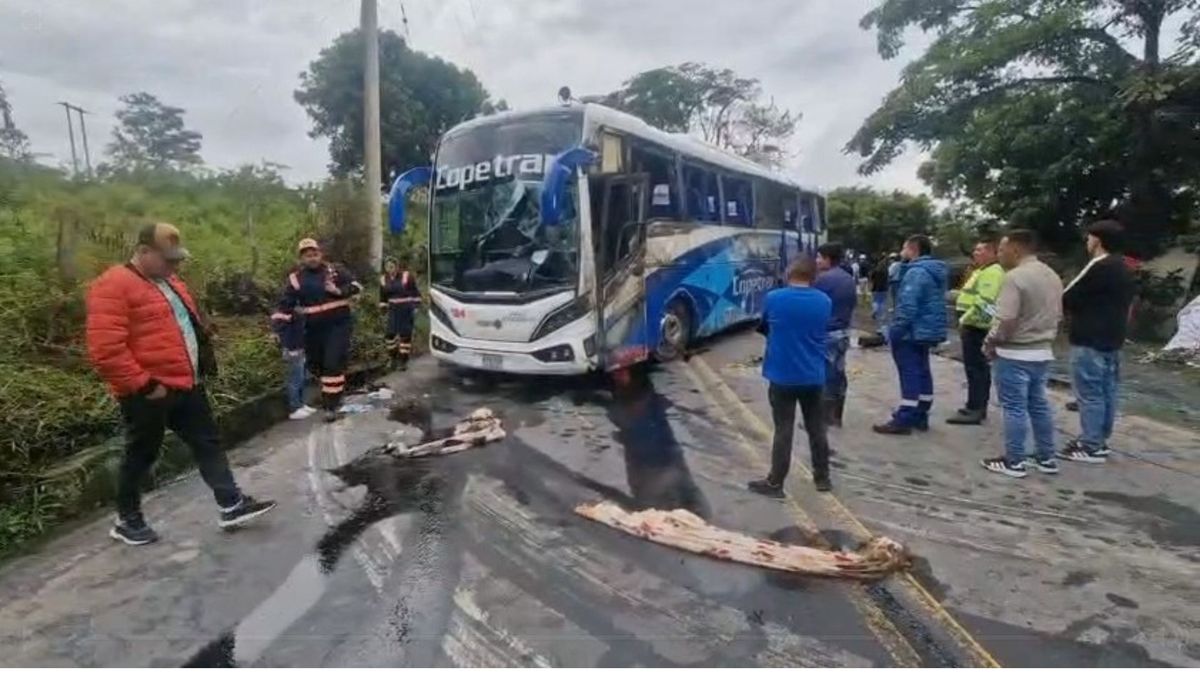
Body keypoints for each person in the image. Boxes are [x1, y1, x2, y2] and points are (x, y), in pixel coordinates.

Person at [86, 223, 276, 546]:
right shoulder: (113, 285)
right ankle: (126, 519)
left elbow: (186, 322)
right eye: (168, 259)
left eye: (177, 260)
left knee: (207, 442)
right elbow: (105, 351)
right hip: (148, 391)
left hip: (186, 382)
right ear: (144, 252)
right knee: (141, 454)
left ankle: (231, 503)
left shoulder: (170, 281)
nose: (175, 266)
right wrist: (146, 386)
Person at [980, 230, 1063, 478]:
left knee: (1014, 407)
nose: (999, 254)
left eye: (1002, 249)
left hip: (1014, 353)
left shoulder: (1014, 278)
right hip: (1042, 351)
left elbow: (1006, 319)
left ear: (1015, 249)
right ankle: (1046, 457)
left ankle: (1014, 460)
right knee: (1039, 405)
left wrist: (991, 342)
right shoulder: (1051, 275)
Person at [748, 258, 833, 497]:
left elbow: (763, 325)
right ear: (813, 277)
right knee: (817, 428)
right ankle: (822, 478)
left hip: (782, 374)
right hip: (813, 375)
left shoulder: (774, 298)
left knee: (783, 430)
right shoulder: (824, 301)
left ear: (788, 274)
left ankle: (776, 482)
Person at [1057, 220, 1136, 464]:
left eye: (1089, 238)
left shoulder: (1099, 265)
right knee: (1107, 391)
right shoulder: (1123, 268)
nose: (1087, 242)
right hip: (1113, 338)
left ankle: (1090, 444)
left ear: (1098, 240)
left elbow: (1068, 296)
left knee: (1089, 393)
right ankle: (1099, 440)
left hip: (1089, 338)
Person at [274, 238, 362, 423]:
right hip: (313, 329)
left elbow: (357, 287)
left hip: (338, 325)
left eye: (315, 254)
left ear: (320, 254)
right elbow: (284, 307)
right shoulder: (296, 279)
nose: (312, 258)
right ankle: (334, 394)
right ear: (301, 258)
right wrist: (280, 331)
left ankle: (331, 406)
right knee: (317, 364)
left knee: (332, 363)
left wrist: (339, 291)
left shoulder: (335, 271)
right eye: (308, 255)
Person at [873, 235, 948, 435]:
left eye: (904, 248)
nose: (901, 252)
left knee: (909, 372)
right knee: (923, 370)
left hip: (911, 331)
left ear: (913, 249)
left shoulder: (915, 272)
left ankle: (904, 418)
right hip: (926, 330)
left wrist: (896, 331)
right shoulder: (934, 271)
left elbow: (907, 306)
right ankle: (921, 414)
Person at [946, 240, 1005, 425]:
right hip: (973, 325)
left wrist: (964, 320)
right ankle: (973, 404)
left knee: (977, 368)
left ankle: (977, 409)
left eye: (980, 250)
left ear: (992, 253)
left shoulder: (992, 273)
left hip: (977, 326)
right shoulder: (981, 270)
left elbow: (985, 303)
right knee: (973, 368)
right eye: (975, 250)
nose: (975, 253)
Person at [814, 242, 857, 427]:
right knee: (838, 373)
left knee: (825, 374)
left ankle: (824, 417)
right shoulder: (848, 278)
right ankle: (837, 414)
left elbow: (814, 305)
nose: (816, 261)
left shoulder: (824, 280)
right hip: (843, 331)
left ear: (827, 259)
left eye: (819, 257)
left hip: (827, 332)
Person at [271, 288, 314, 421]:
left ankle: (301, 404)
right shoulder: (284, 313)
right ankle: (294, 408)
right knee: (295, 379)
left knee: (302, 378)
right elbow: (283, 331)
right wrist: (289, 347)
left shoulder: (296, 310)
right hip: (291, 349)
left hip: (299, 347)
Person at [379, 257, 422, 370]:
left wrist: (416, 306)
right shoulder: (383, 279)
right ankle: (393, 357)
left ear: (397, 267)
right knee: (389, 335)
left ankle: (403, 361)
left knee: (405, 336)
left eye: (392, 266)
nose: (390, 269)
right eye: (387, 267)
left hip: (406, 309)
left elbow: (416, 293)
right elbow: (383, 297)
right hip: (393, 310)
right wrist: (383, 309)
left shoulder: (406, 276)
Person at [869, 254, 891, 330]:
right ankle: (880, 314)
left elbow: (871, 277)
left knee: (875, 301)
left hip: (876, 287)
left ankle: (875, 310)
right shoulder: (886, 269)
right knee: (882, 302)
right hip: (884, 288)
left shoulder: (876, 269)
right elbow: (888, 278)